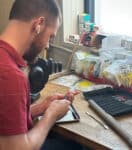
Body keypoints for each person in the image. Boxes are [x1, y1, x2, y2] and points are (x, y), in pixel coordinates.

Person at [0, 0, 83, 150]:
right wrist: (51, 115)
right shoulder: (10, 75)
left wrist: (40, 108)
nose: (47, 45)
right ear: (39, 24)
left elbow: (5, 121)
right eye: (51, 37)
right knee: (75, 147)